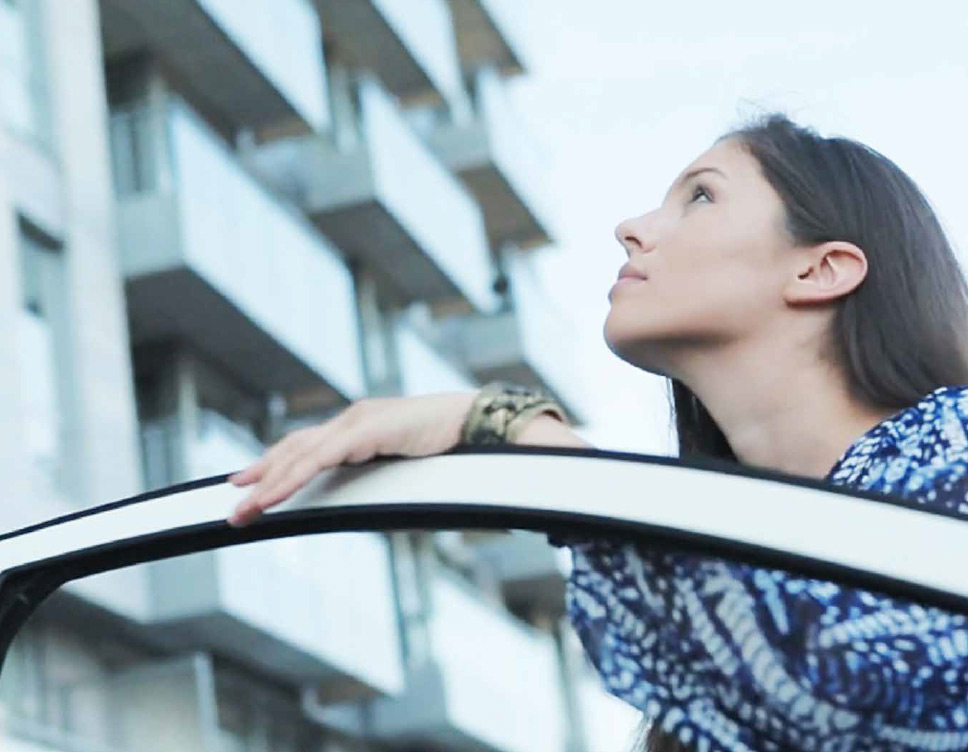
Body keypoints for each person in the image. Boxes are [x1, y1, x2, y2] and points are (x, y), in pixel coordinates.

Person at [226, 113, 968, 752]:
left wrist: (505, 427)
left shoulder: (958, 437)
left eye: (701, 196)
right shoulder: (741, 565)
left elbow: (838, 689)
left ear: (821, 270)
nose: (630, 228)